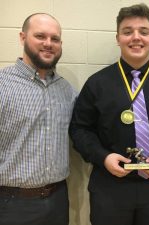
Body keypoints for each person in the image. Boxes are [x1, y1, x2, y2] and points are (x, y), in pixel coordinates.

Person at [69, 3, 149, 225]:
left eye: (143, 32)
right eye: (127, 32)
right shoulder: (97, 83)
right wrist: (103, 157)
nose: (136, 37)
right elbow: (79, 129)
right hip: (109, 187)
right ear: (118, 38)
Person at [0, 13, 76, 225]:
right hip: (11, 204)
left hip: (58, 200)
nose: (48, 44)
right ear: (23, 37)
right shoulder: (2, 85)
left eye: (55, 38)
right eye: (40, 36)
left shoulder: (67, 90)